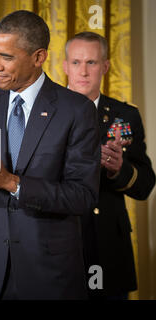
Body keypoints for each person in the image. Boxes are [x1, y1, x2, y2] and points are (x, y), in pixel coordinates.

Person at [0, 10, 101, 299]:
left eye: (6, 57)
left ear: (38, 57)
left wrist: (11, 182)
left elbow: (83, 196)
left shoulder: (76, 110)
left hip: (50, 275)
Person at [64, 32, 155, 299]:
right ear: (65, 65)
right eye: (76, 62)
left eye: (91, 62)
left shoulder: (125, 115)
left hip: (108, 246)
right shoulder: (44, 113)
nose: (83, 71)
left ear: (105, 66)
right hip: (60, 243)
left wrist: (119, 170)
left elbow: (145, 184)